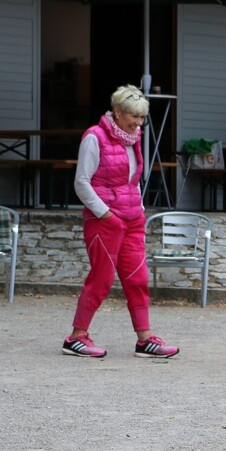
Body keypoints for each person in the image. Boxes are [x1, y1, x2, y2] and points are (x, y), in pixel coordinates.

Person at [62, 85, 178, 360]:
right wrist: (106, 214)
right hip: (105, 221)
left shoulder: (132, 138)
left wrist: (139, 209)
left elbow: (132, 181)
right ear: (117, 111)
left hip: (132, 219)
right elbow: (81, 183)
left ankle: (145, 340)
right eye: (134, 116)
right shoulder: (95, 137)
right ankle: (76, 337)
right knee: (101, 279)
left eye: (142, 117)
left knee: (137, 278)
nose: (139, 123)